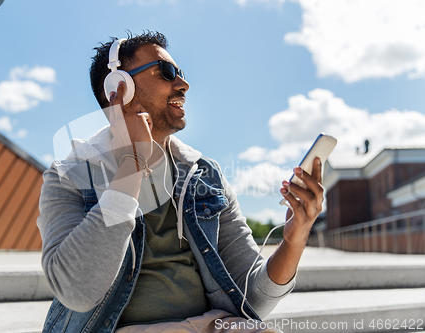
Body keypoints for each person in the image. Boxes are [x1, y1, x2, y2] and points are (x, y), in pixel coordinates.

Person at [36, 31, 324, 333]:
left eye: (180, 74)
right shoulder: (69, 175)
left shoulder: (206, 175)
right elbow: (76, 292)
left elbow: (251, 301)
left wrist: (294, 239)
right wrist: (130, 167)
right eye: (167, 72)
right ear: (119, 87)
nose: (183, 84)